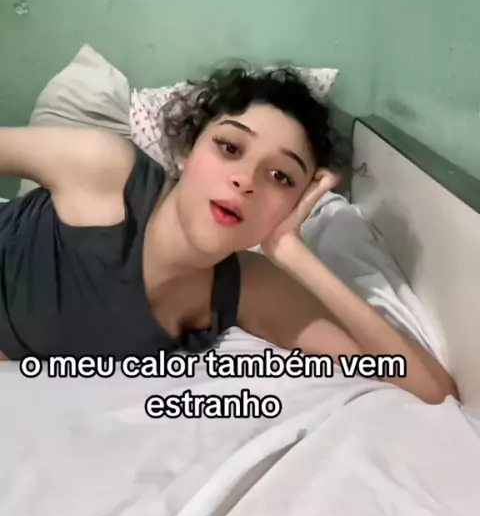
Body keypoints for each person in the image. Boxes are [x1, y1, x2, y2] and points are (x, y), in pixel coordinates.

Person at [0, 65, 457, 404]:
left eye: (280, 177)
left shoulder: (250, 287)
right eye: (230, 147)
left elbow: (431, 389)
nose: (246, 180)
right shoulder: (102, 169)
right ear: (185, 151)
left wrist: (292, 254)